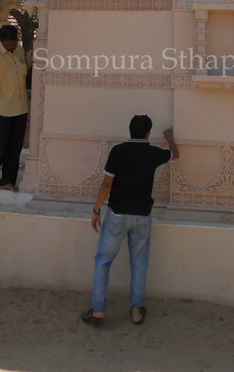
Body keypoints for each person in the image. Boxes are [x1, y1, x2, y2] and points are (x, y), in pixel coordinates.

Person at [81, 115, 179, 326]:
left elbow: (107, 184)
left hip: (117, 214)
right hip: (142, 215)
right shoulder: (153, 153)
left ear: (130, 130)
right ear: (147, 133)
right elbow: (175, 155)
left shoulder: (118, 151)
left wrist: (96, 209)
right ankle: (136, 309)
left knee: (103, 261)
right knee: (139, 263)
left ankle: (97, 309)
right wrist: (170, 138)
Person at [0, 24, 32, 192]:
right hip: (3, 109)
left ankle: (7, 180)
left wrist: (34, 53)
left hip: (21, 107)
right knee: (1, 144)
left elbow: (25, 68)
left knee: (16, 146)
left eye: (15, 42)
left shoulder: (18, 51)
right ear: (1, 41)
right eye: (9, 44)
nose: (13, 46)